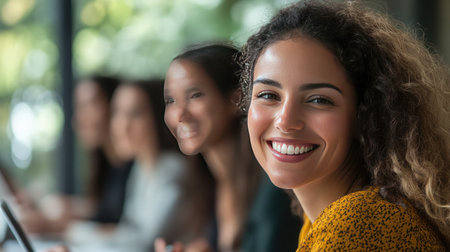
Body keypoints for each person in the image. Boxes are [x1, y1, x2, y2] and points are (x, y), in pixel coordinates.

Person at [240, 1, 450, 250]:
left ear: (365, 115)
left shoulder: (357, 227)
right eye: (268, 95)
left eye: (319, 100)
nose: (285, 121)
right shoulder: (326, 219)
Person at [159, 44, 300, 252]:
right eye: (171, 100)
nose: (179, 114)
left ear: (237, 99)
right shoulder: (207, 184)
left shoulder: (274, 183)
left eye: (195, 95)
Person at [65, 80, 210, 252]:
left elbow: (143, 242)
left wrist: (74, 231)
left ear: (156, 117)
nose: (122, 125)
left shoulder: (172, 170)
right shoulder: (140, 168)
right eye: (117, 113)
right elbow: (128, 230)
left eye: (135, 114)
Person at [20, 76, 133, 234]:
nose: (79, 118)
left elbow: (125, 227)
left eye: (89, 105)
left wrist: (57, 225)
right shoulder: (108, 166)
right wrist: (47, 205)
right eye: (78, 107)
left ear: (114, 106)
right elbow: (104, 210)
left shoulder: (135, 168)